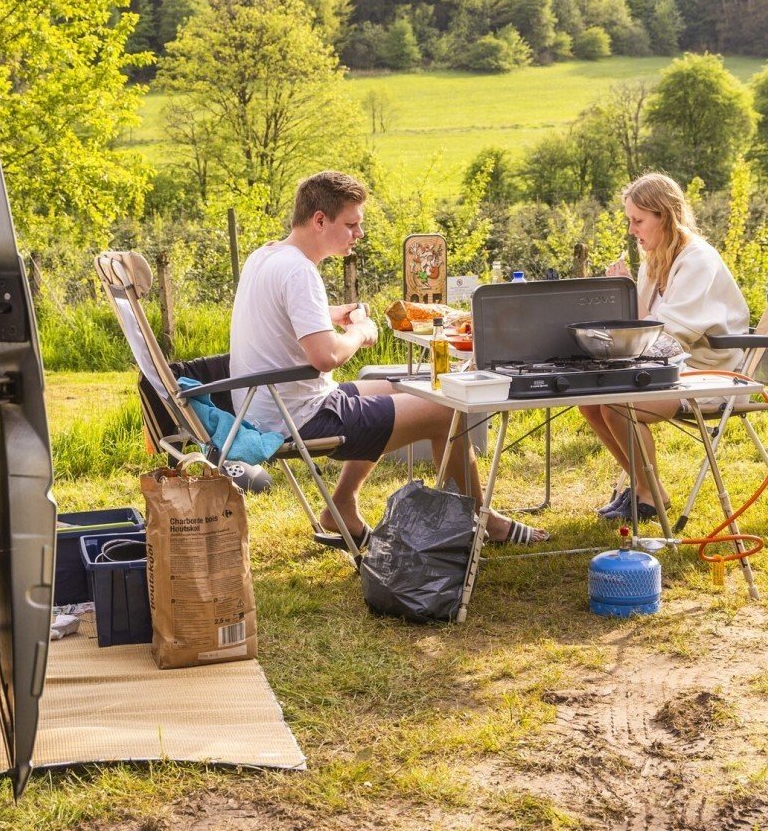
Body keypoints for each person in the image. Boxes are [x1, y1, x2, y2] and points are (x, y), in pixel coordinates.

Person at [229, 170, 546, 550]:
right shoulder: (300, 271)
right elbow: (326, 357)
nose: (358, 234)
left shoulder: (266, 255)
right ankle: (484, 519)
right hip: (296, 417)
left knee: (398, 386)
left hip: (264, 404)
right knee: (447, 412)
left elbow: (277, 312)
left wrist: (329, 314)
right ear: (319, 220)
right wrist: (360, 333)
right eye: (351, 225)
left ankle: (342, 504)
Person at [581, 173, 751, 522]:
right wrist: (620, 296)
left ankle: (647, 494)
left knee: (617, 403)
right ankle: (647, 485)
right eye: (630, 220)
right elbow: (641, 332)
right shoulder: (655, 259)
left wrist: (627, 294)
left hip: (709, 374)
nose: (632, 230)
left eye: (638, 221)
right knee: (588, 402)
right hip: (670, 367)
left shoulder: (697, 260)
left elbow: (664, 337)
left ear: (666, 216)